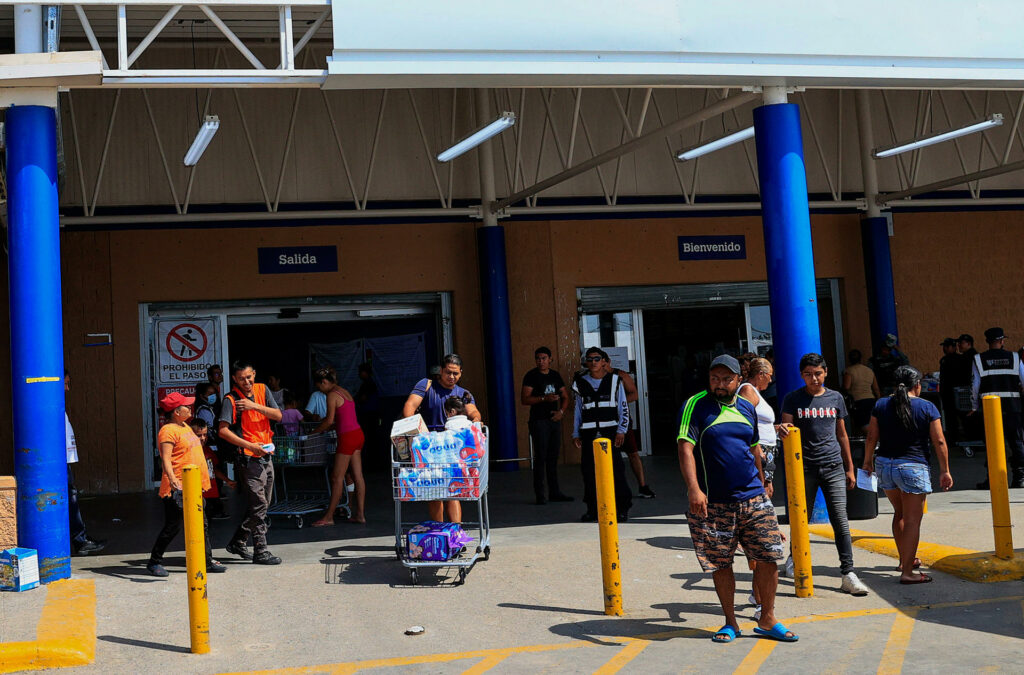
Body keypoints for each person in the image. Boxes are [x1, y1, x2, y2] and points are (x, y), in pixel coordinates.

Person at [678, 354, 796, 644]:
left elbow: (755, 448)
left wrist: (764, 484)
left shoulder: (746, 406)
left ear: (738, 381)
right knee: (721, 562)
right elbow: (685, 448)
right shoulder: (695, 405)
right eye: (714, 378)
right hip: (715, 502)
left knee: (768, 556)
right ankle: (730, 622)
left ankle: (767, 618)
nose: (719, 384)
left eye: (726, 379)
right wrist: (694, 489)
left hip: (753, 497)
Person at [781, 353, 869, 596]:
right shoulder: (793, 399)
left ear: (826, 372)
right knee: (801, 519)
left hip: (833, 468)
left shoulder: (836, 398)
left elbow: (842, 434)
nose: (814, 378)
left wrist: (850, 467)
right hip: (804, 469)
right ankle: (794, 558)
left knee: (840, 521)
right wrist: (782, 429)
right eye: (808, 374)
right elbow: (785, 429)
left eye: (818, 373)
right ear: (801, 375)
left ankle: (848, 572)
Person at [863, 366, 953, 584]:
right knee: (913, 521)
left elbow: (871, 437)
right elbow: (939, 441)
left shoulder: (881, 404)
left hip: (885, 465)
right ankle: (907, 573)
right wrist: (945, 470)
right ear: (918, 385)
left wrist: (867, 462)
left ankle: (905, 561)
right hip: (913, 467)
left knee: (899, 514)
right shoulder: (927, 407)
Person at [148, 392, 226, 577]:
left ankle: (206, 560)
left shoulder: (185, 427)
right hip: (179, 488)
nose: (189, 407)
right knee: (172, 527)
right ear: (176, 411)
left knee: (202, 524)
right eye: (185, 405)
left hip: (194, 486)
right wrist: (174, 481)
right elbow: (165, 459)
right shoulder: (168, 430)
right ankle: (154, 562)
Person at [402, 354, 481, 523]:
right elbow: (410, 406)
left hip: (452, 448)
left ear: (461, 373)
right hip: (430, 447)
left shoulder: (463, 393)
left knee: (453, 491)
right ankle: (439, 529)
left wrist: (476, 421)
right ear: (441, 371)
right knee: (434, 491)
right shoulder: (427, 386)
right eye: (448, 372)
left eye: (456, 374)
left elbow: (473, 412)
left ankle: (456, 533)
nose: (452, 377)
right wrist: (415, 431)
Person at [218, 360, 283, 565]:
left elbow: (278, 415)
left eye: (249, 377)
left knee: (262, 504)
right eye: (241, 379)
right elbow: (223, 430)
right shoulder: (231, 399)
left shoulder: (262, 390)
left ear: (254, 374)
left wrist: (253, 405)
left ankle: (238, 541)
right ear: (234, 379)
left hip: (265, 453)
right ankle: (261, 551)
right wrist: (249, 445)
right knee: (260, 504)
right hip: (247, 457)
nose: (246, 382)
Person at [571, 347, 632, 522]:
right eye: (589, 359)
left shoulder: (615, 381)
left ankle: (622, 508)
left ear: (604, 361)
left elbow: (623, 407)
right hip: (589, 433)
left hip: (611, 432)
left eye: (597, 359)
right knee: (589, 472)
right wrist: (576, 432)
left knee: (617, 471)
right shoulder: (580, 383)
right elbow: (578, 411)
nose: (593, 362)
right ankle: (592, 509)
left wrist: (622, 430)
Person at [311, 368, 366, 526]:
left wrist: (313, 433)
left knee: (336, 478)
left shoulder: (332, 395)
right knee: (358, 476)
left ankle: (328, 517)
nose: (320, 390)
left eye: (319, 386)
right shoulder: (344, 392)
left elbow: (329, 421)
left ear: (324, 382)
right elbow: (344, 418)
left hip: (347, 438)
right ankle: (360, 515)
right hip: (357, 434)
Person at [971, 327, 1024, 489]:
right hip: (1013, 408)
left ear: (988, 342)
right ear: (1002, 341)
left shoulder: (979, 359)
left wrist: (973, 406)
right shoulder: (1015, 358)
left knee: (992, 444)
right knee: (1016, 442)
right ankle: (1020, 478)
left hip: (990, 411)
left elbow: (974, 386)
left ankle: (993, 479)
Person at [521, 346, 573, 505]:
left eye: (544, 358)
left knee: (553, 457)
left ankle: (555, 492)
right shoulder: (531, 376)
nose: (541, 361)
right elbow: (525, 399)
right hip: (539, 421)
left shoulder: (555, 375)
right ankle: (540, 494)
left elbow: (565, 396)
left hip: (554, 420)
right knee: (540, 457)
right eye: (538, 358)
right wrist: (544, 399)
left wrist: (561, 412)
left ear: (550, 359)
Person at [64, 371, 105, 556]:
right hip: (58, 464)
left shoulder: (56, 405)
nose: (67, 388)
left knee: (71, 498)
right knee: (70, 499)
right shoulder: (49, 404)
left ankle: (80, 539)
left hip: (63, 462)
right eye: (65, 383)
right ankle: (79, 540)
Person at [602, 359, 656, 499]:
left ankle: (643, 486)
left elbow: (635, 394)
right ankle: (607, 489)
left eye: (603, 363)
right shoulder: (591, 378)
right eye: (593, 361)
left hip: (622, 421)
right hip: (602, 423)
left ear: (608, 362)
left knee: (633, 453)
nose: (600, 366)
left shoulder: (620, 375)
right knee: (606, 456)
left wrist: (617, 400)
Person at [739, 358, 779, 500]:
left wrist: (776, 428)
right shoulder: (747, 390)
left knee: (765, 492)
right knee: (761, 492)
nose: (770, 380)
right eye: (769, 375)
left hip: (764, 451)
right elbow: (747, 423)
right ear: (761, 374)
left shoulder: (754, 391)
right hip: (759, 450)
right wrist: (759, 452)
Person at [193, 381, 227, 519]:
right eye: (210, 394)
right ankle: (214, 508)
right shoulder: (204, 410)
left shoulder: (210, 408)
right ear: (202, 395)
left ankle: (215, 505)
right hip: (211, 446)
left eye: (214, 393)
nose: (213, 396)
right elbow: (208, 427)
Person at [843, 349, 880, 433]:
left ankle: (872, 439)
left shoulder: (849, 371)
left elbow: (847, 386)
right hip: (871, 399)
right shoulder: (869, 371)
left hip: (858, 400)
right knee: (871, 422)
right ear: (861, 358)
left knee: (862, 424)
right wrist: (878, 399)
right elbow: (876, 388)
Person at [937, 338, 963, 443]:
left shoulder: (947, 360)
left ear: (953, 347)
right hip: (952, 392)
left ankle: (953, 438)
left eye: (946, 347)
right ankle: (955, 437)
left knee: (951, 416)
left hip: (950, 392)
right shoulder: (954, 359)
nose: (944, 349)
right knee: (953, 416)